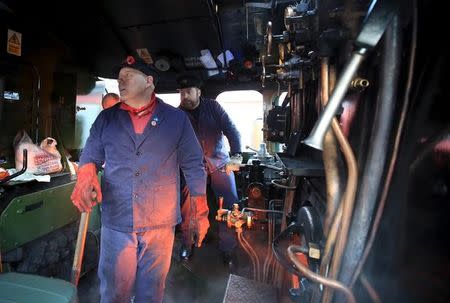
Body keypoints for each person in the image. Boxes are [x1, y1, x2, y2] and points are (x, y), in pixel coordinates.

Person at [70, 56, 209, 303]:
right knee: (114, 292)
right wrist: (86, 173)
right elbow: (90, 154)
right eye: (119, 78)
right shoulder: (106, 119)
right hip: (117, 219)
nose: (121, 81)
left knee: (151, 292)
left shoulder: (176, 120)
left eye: (128, 76)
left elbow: (193, 165)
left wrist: (200, 211)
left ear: (149, 81)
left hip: (159, 220)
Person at [176, 72, 242, 266]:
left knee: (230, 204)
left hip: (219, 163)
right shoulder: (177, 114)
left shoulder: (213, 107)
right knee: (188, 208)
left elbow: (231, 129)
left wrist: (237, 154)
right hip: (192, 167)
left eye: (188, 92)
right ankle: (188, 244)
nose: (185, 96)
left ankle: (228, 249)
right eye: (181, 93)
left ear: (199, 91)